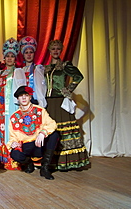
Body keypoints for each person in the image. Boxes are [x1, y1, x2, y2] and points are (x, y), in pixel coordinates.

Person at [44, 40, 90, 170]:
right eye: (53, 49)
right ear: (49, 50)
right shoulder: (45, 67)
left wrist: (68, 89)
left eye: (58, 49)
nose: (55, 51)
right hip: (49, 102)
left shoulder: (65, 65)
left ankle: (69, 161)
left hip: (60, 101)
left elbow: (78, 76)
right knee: (52, 130)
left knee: (64, 130)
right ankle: (50, 162)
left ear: (61, 50)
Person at [7, 86, 59, 180]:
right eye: (21, 96)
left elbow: (52, 124)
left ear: (30, 97)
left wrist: (43, 133)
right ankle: (28, 163)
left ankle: (45, 167)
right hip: (27, 146)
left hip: (40, 144)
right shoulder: (14, 117)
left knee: (54, 135)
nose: (23, 98)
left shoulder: (40, 110)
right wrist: (13, 143)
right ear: (18, 99)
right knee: (14, 154)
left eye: (26, 95)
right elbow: (12, 136)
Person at [0, 38, 26, 169]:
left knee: (12, 131)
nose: (9, 58)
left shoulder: (18, 72)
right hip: (1, 108)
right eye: (7, 56)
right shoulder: (0, 73)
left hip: (12, 106)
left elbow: (21, 91)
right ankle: (3, 158)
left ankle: (13, 159)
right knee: (2, 131)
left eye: (12, 56)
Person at [18, 36, 47, 108]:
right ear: (23, 55)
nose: (29, 55)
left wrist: (41, 104)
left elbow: (40, 88)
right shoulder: (20, 70)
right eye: (26, 52)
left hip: (34, 101)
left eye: (31, 52)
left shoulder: (37, 69)